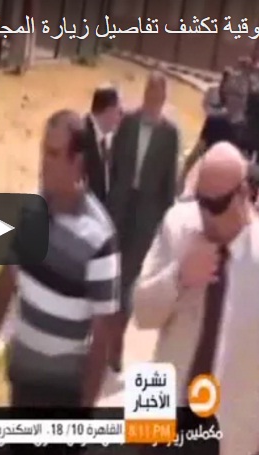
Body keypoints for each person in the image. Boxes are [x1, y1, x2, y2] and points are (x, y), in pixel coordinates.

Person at [0, 110, 120, 416]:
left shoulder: (100, 238)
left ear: (77, 161)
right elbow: (5, 285)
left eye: (53, 154)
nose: (43, 163)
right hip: (21, 382)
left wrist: (85, 414)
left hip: (63, 396)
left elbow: (102, 337)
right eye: (43, 151)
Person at [132, 142, 259, 455]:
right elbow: (141, 314)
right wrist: (178, 277)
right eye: (201, 202)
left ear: (243, 194)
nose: (205, 216)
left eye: (216, 206)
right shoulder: (178, 225)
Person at [106, 71, 179, 372]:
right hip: (119, 206)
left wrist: (164, 224)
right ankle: (97, 332)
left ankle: (116, 343)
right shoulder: (128, 122)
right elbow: (112, 163)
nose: (152, 99)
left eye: (158, 96)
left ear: (164, 99)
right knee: (108, 270)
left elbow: (169, 183)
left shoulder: (170, 134)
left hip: (146, 214)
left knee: (128, 278)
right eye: (149, 93)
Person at [182, 71, 251, 188]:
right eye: (233, 94)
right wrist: (183, 178)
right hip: (208, 182)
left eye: (239, 95)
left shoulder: (251, 131)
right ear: (227, 96)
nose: (235, 100)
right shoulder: (214, 121)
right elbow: (197, 152)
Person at [83, 85, 122, 204]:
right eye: (119, 112)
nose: (120, 118)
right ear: (109, 111)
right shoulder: (81, 136)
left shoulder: (106, 139)